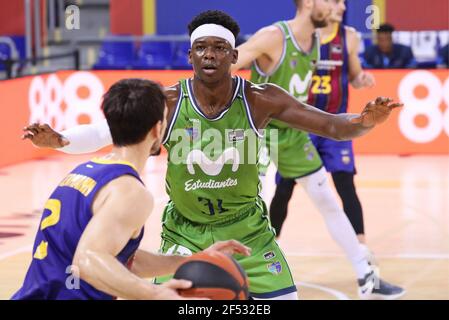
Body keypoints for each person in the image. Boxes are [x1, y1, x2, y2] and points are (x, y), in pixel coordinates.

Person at [22, 10, 402, 300]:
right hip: (184, 234)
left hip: (248, 232)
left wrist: (367, 120)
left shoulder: (260, 99)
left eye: (220, 48)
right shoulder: (167, 101)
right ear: (190, 55)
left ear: (234, 55)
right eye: (201, 48)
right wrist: (59, 140)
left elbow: (334, 126)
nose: (210, 55)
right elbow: (107, 131)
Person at [15, 78, 250, 300]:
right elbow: (87, 259)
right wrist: (155, 293)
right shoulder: (129, 191)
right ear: (157, 129)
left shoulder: (85, 171)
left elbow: (120, 258)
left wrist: (193, 261)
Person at [231, 0, 404, 299]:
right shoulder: (274, 36)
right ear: (309, 2)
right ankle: (233, 276)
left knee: (328, 200)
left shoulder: (314, 41)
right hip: (261, 135)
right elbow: (227, 65)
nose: (339, 6)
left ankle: (366, 276)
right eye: (332, 0)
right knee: (247, 207)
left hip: (296, 134)